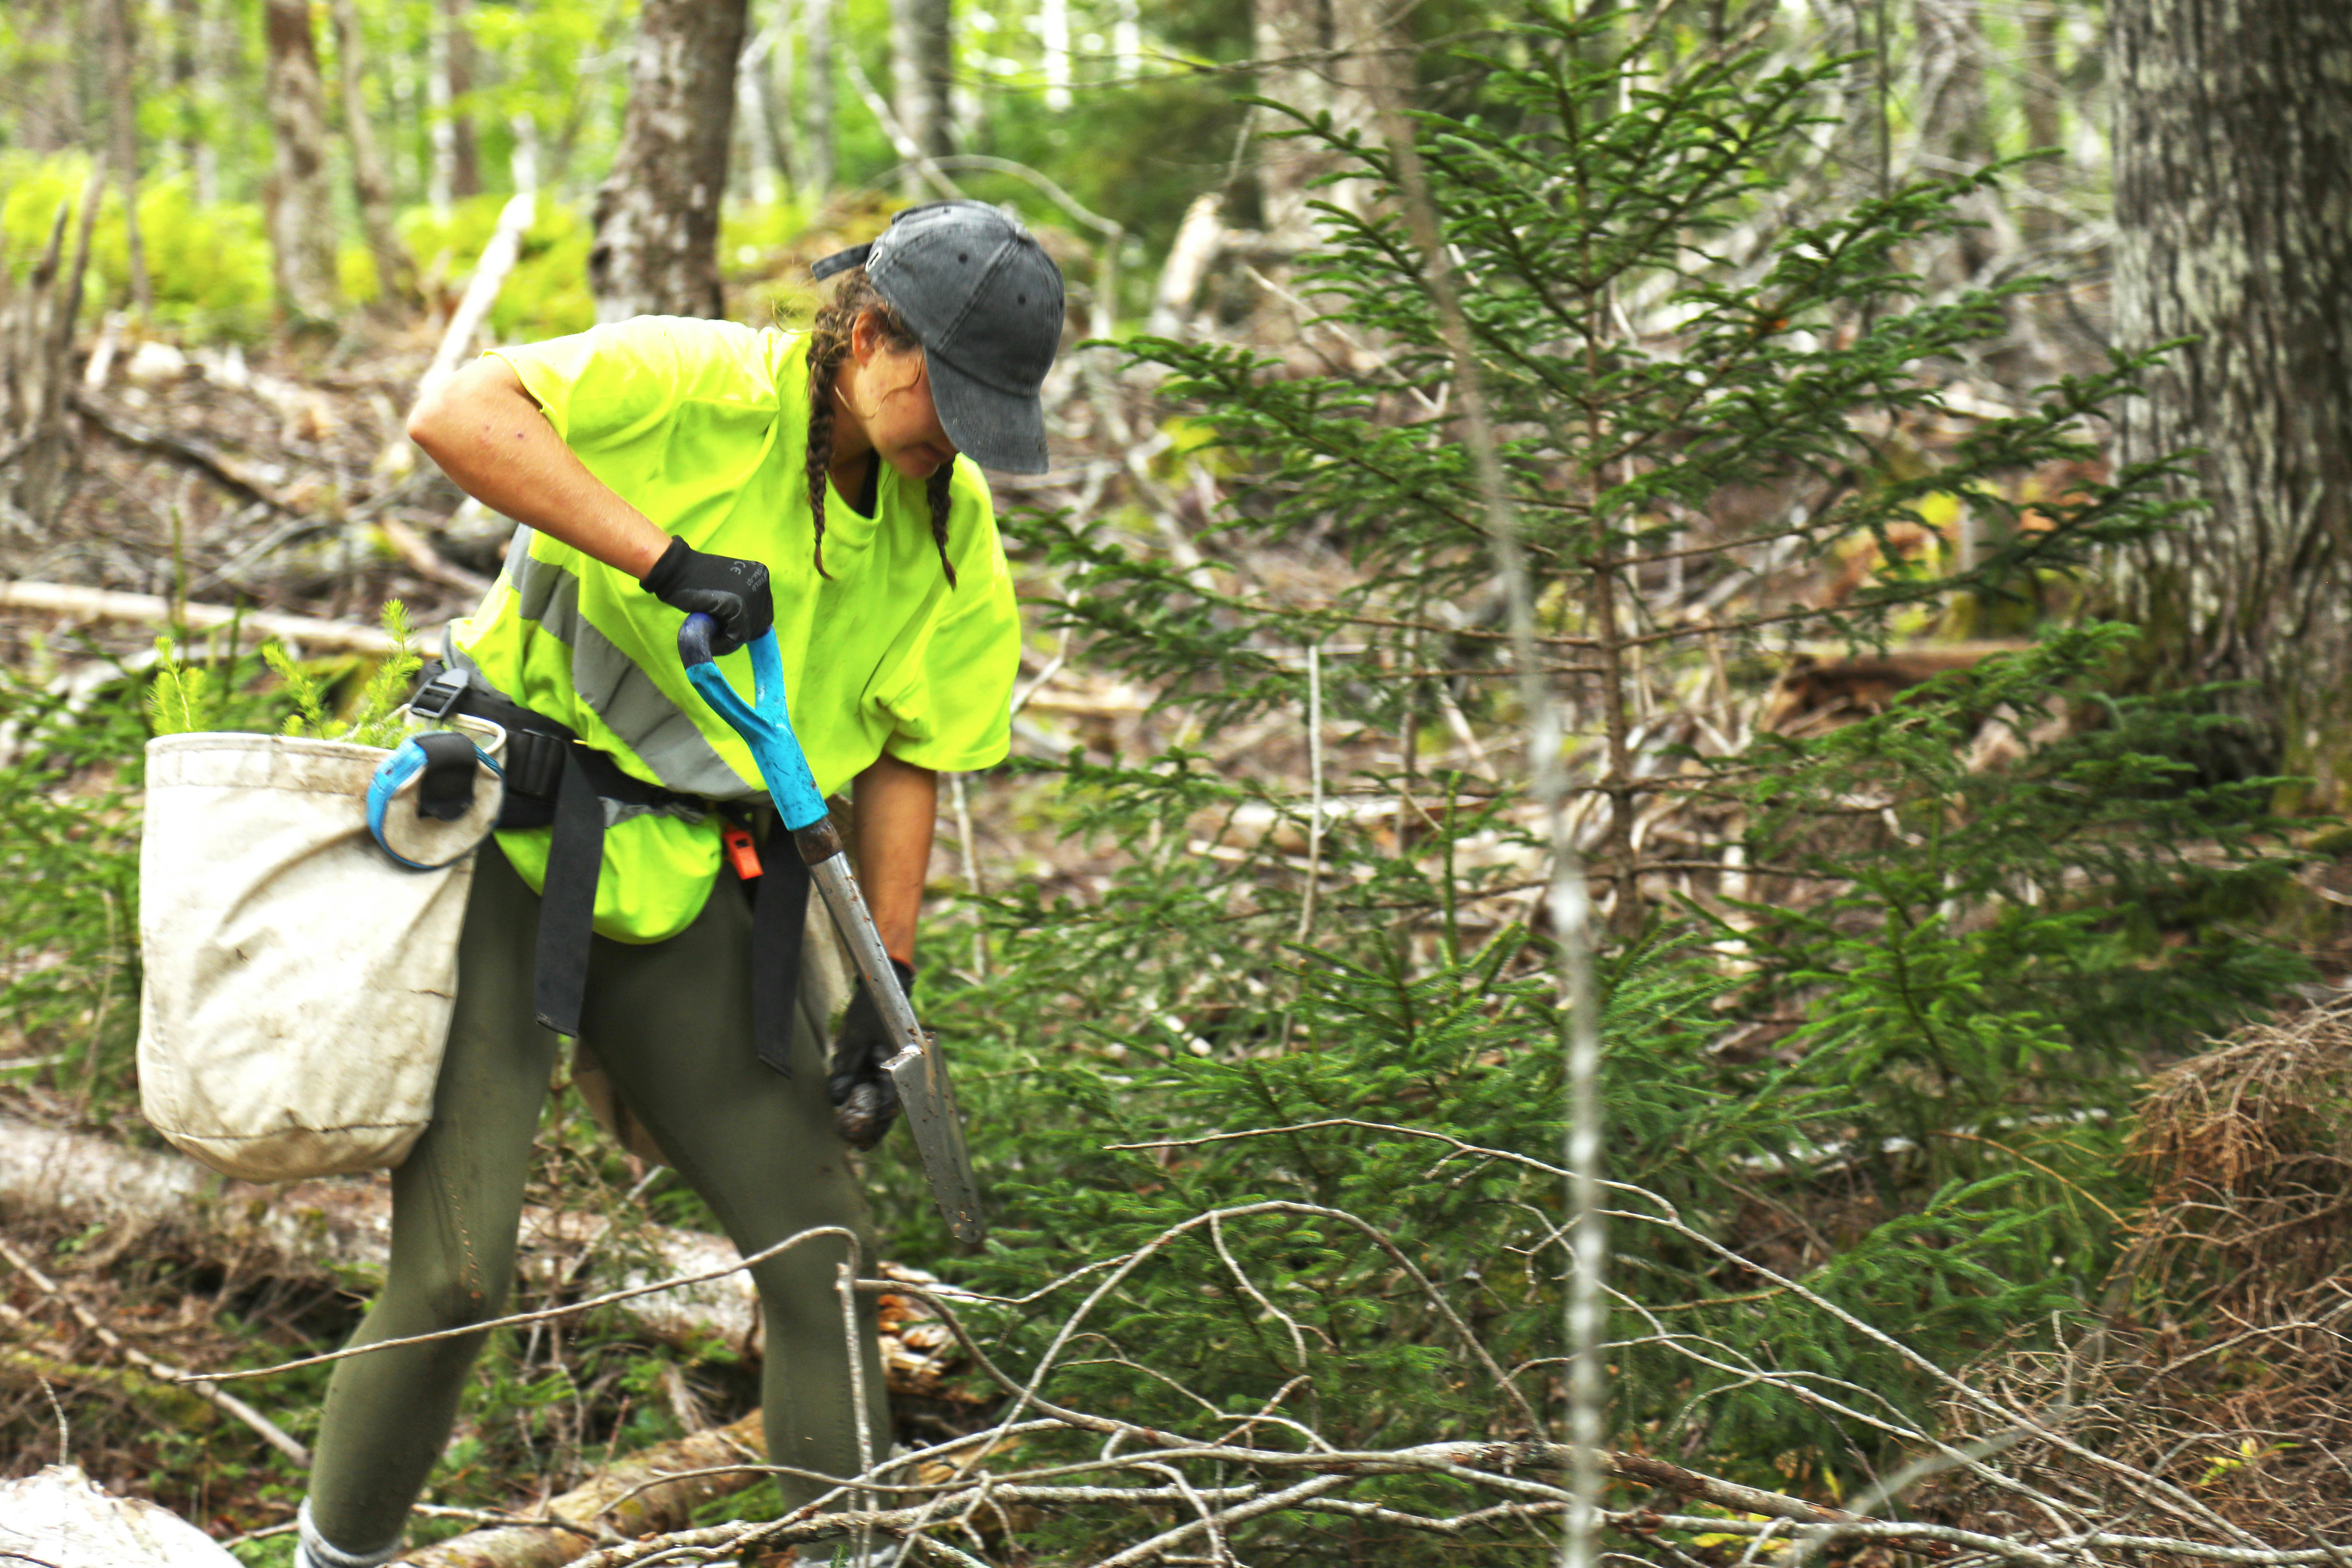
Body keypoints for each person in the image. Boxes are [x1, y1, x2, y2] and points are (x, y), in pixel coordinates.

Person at [289, 201, 1063, 1568]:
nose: (957, 436)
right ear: (871, 330)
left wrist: (892, 993)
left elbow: (908, 757)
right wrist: (668, 560)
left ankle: (851, 1552)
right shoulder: (700, 383)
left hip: (690, 871)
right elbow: (458, 414)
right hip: (505, 845)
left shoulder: (950, 529)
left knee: (826, 1258)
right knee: (463, 1271)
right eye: (950, 394)